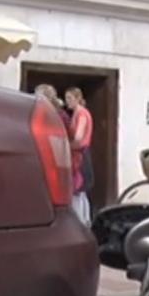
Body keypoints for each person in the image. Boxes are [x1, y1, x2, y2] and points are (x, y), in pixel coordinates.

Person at [64, 87, 93, 226]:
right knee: (81, 191)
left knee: (77, 188)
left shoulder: (81, 114)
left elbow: (79, 137)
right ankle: (85, 220)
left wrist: (65, 145)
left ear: (77, 98)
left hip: (79, 154)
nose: (67, 102)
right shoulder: (78, 113)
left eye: (69, 98)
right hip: (81, 152)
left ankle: (79, 221)